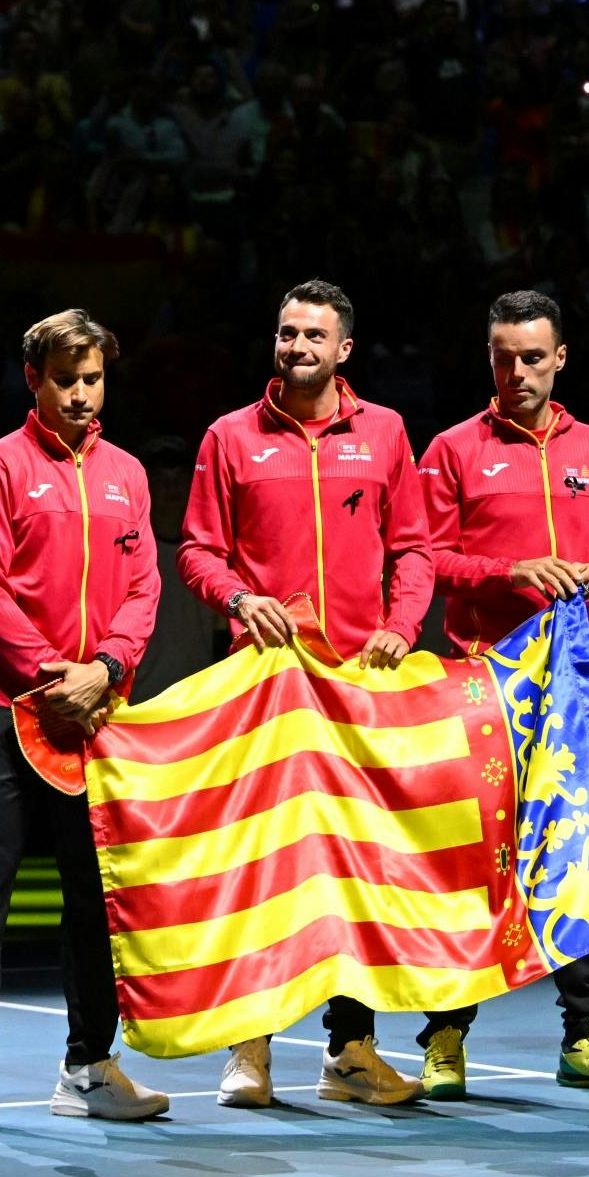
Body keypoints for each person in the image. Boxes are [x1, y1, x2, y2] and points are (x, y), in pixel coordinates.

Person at [177, 278, 431, 1111]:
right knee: (264, 868)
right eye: (286, 334)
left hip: (360, 687)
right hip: (267, 689)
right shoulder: (229, 436)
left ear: (344, 348)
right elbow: (197, 551)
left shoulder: (387, 432)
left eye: (313, 336)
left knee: (359, 873)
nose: (296, 348)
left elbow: (417, 548)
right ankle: (249, 1048)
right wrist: (239, 600)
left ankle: (351, 1049)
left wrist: (402, 623)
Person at [0, 309, 170, 1131]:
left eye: (92, 379)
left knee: (93, 898)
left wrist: (103, 669)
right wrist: (48, 673)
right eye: (64, 379)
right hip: (4, 710)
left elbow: (145, 589)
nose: (79, 394)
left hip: (97, 714)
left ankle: (90, 1066)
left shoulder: (129, 474)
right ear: (33, 378)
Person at [412, 290, 589, 1096]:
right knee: (470, 866)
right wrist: (508, 571)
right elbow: (424, 557)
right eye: (502, 356)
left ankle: (586, 1032)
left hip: (577, 688)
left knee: (582, 849)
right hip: (480, 685)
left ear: (559, 360)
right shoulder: (451, 450)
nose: (515, 371)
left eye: (530, 356)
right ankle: (445, 1036)